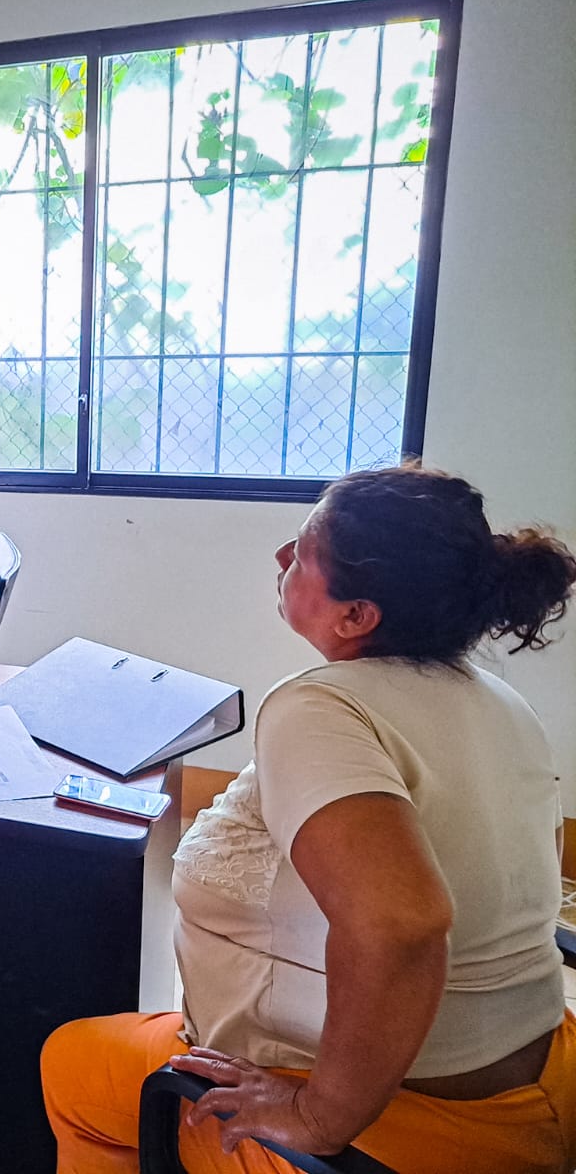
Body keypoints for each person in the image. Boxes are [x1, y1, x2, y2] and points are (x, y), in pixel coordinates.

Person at [40, 464, 576, 1173]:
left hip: (403, 1124)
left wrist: (318, 1116)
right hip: (542, 1080)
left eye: (304, 550)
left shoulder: (320, 707)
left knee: (72, 1061)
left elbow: (404, 923)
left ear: (357, 616)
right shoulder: (499, 701)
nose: (281, 556)